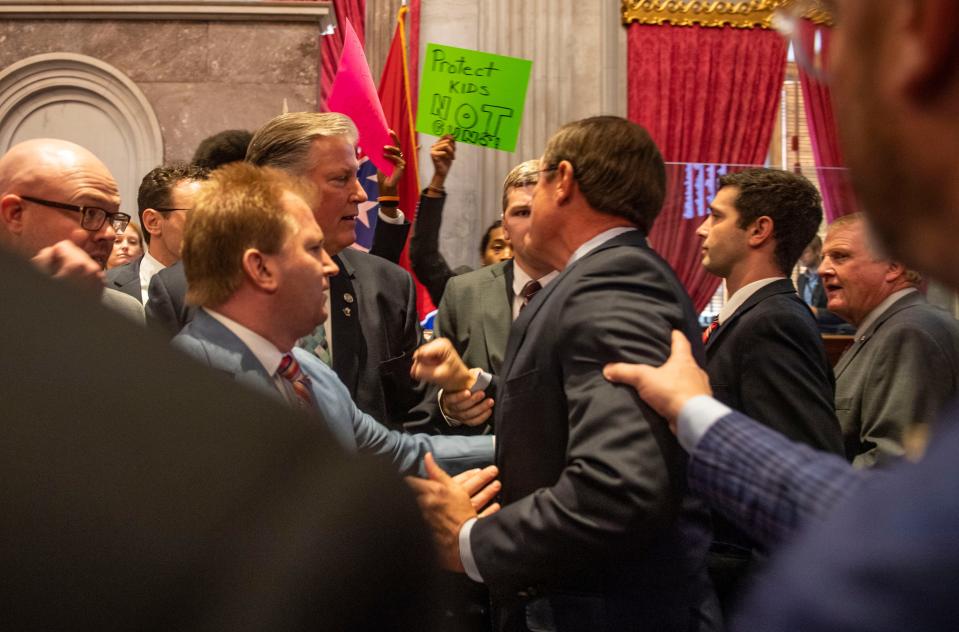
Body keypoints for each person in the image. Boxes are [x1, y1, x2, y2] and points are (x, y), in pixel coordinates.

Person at [603, 1, 959, 628]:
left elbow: (852, 486)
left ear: (926, 52)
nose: (840, 75)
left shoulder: (789, 321)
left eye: (848, 47)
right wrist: (696, 413)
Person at [409, 116, 717, 631]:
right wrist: (478, 383)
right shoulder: (595, 276)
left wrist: (469, 541)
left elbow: (620, 484)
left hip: (602, 609)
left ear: (564, 181)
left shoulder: (615, 282)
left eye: (540, 185)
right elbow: (574, 397)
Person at [172, 162, 493, 476]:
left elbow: (397, 452)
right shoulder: (187, 382)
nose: (332, 266)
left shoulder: (306, 371)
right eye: (314, 249)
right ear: (261, 269)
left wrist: (519, 447)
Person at [695, 167, 843, 613]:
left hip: (740, 585)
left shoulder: (773, 321)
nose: (702, 228)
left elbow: (803, 466)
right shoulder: (750, 317)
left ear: (759, 230)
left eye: (716, 216)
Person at [425, 159, 558, 433]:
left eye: (541, 210)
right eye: (521, 212)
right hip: (481, 464)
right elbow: (430, 393)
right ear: (505, 226)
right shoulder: (463, 292)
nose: (532, 223)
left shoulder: (590, 288)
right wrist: (448, 406)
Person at [819, 212, 959, 467]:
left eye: (840, 256)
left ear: (894, 266)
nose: (822, 269)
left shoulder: (909, 333)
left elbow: (893, 464)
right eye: (823, 258)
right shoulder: (886, 328)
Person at [0, 138, 142, 323]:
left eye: (112, 217)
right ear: (15, 214)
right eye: (90, 213)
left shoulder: (126, 312)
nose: (110, 234)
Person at [409, 135, 514, 305]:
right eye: (497, 247)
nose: (506, 256)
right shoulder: (464, 294)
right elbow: (424, 257)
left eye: (514, 248)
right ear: (482, 257)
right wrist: (438, 179)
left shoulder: (540, 298)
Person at [109, 164, 207, 305]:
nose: (212, 226)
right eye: (200, 214)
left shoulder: (231, 291)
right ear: (153, 222)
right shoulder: (103, 291)